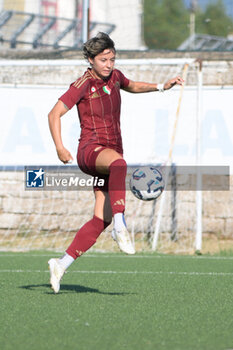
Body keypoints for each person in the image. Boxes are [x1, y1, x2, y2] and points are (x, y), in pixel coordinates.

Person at [48, 32, 184, 293]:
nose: (109, 64)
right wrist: (59, 147)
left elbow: (131, 85)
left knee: (101, 219)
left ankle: (61, 264)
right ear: (90, 60)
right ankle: (122, 226)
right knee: (119, 165)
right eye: (103, 60)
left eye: (112, 59)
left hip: (110, 154)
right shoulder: (82, 84)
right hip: (90, 151)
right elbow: (54, 114)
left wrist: (160, 86)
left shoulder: (116, 76)